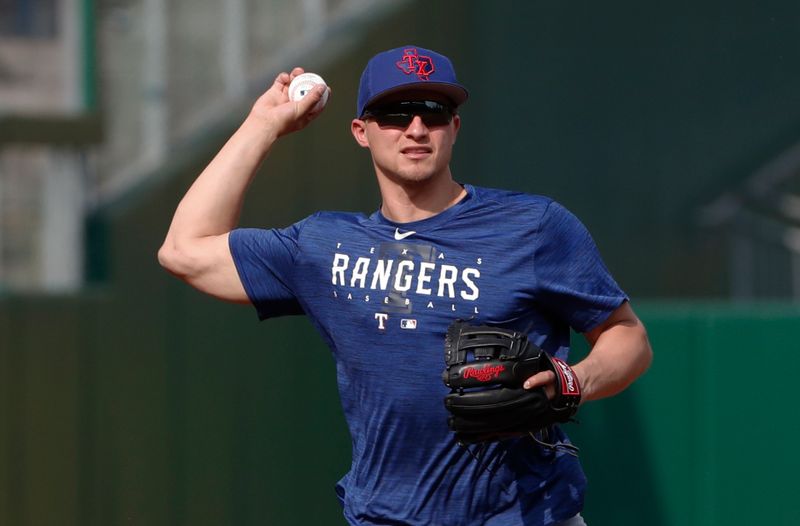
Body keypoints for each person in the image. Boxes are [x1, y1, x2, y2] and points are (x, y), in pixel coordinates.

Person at [158, 45, 653, 526]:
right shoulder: (324, 246)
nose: (416, 129)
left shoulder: (534, 226)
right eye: (395, 114)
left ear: (454, 127)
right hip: (385, 516)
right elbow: (184, 250)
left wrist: (574, 382)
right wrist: (263, 126)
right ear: (361, 131)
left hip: (523, 514)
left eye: (433, 113)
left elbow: (627, 336)